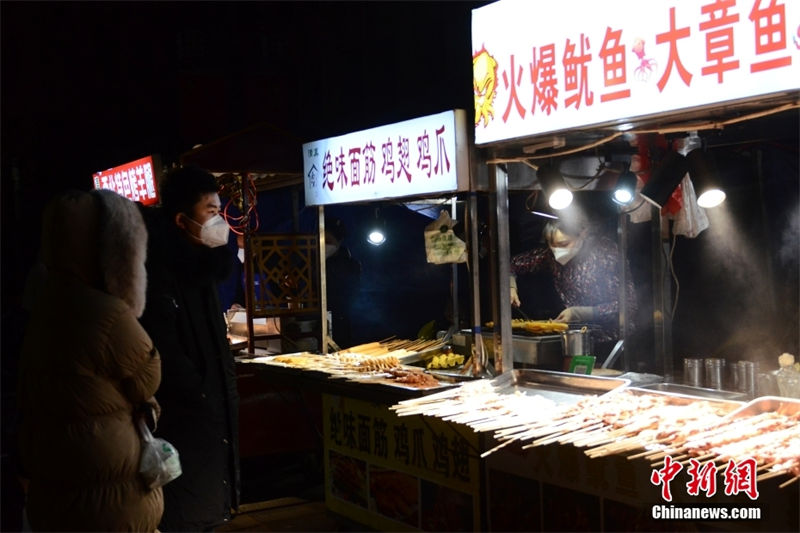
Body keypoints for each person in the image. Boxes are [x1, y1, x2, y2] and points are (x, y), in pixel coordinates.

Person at [17, 189, 163, 531]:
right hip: (106, 482)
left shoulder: (43, 301)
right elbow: (146, 377)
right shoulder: (105, 312)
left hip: (55, 468)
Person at [138, 166, 240, 531]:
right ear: (181, 220)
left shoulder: (205, 268)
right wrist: (199, 392)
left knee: (207, 507)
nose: (218, 220)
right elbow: (163, 350)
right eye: (210, 212)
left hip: (211, 413)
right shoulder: (159, 274)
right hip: (183, 420)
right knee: (186, 514)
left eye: (219, 210)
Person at [510, 213, 637, 353]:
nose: (556, 251)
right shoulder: (549, 255)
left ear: (583, 234)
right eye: (551, 244)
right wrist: (511, 286)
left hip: (614, 343)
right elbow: (512, 264)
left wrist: (582, 313)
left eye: (563, 244)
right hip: (577, 340)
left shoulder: (606, 254)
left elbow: (627, 306)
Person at [325, 217, 361, 349]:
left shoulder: (351, 265)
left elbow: (350, 293)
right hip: (315, 322)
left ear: (339, 241)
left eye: (328, 241)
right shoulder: (309, 262)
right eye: (321, 240)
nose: (324, 245)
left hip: (340, 321)